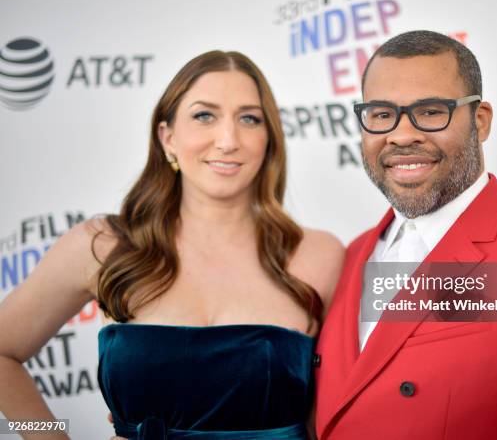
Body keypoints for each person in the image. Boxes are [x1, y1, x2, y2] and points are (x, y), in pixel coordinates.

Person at [0, 50, 344, 439]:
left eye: (249, 118)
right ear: (167, 138)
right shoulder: (103, 245)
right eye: (204, 116)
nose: (228, 140)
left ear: (269, 139)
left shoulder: (320, 255)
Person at [314, 30, 497, 439]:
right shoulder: (351, 255)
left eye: (432, 111)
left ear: (481, 120)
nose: (402, 135)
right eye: (382, 114)